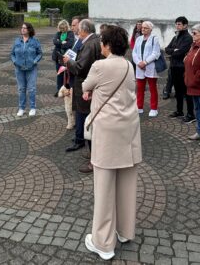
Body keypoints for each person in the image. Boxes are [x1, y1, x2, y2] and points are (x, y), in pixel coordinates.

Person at [81, 26, 142, 261]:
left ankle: (103, 243)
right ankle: (125, 231)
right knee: (127, 182)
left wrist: (92, 91)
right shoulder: (129, 65)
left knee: (104, 187)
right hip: (129, 130)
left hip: (108, 133)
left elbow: (86, 85)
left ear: (106, 44)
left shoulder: (100, 65)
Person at [64, 18, 104, 173]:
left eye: (78, 29)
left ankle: (94, 158)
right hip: (89, 87)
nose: (77, 31)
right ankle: (91, 152)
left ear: (83, 30)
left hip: (86, 88)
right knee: (88, 119)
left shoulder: (89, 43)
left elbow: (80, 67)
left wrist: (68, 61)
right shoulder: (95, 40)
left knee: (88, 120)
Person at [10, 22, 42, 117]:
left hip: (31, 69)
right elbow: (12, 54)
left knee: (31, 89)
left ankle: (32, 108)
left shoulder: (35, 41)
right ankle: (21, 108)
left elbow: (40, 53)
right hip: (19, 69)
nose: (22, 29)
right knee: (21, 89)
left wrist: (35, 61)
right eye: (22, 28)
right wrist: (15, 61)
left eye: (25, 28)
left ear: (29, 30)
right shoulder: (17, 41)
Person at [166, 16, 194, 121]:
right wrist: (174, 50)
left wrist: (173, 51)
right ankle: (179, 111)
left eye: (179, 24)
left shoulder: (188, 37)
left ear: (185, 25)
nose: (177, 26)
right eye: (176, 24)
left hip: (182, 68)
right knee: (177, 90)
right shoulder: (176, 36)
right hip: (174, 67)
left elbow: (181, 52)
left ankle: (191, 114)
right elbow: (167, 49)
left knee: (186, 92)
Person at [132, 20, 161, 117]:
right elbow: (134, 52)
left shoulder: (154, 39)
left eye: (145, 28)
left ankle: (154, 108)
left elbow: (156, 53)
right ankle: (139, 107)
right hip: (139, 66)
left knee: (153, 88)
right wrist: (138, 62)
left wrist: (145, 62)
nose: (143, 29)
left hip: (150, 66)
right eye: (142, 27)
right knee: (139, 88)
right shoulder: (139, 39)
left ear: (150, 29)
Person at [51, 20, 75, 97]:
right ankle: (59, 90)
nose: (62, 30)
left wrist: (60, 43)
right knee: (59, 74)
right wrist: (62, 42)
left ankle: (66, 90)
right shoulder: (58, 33)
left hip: (67, 57)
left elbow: (70, 43)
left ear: (66, 27)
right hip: (58, 57)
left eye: (63, 28)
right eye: (60, 28)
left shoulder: (70, 33)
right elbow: (54, 41)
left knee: (68, 74)